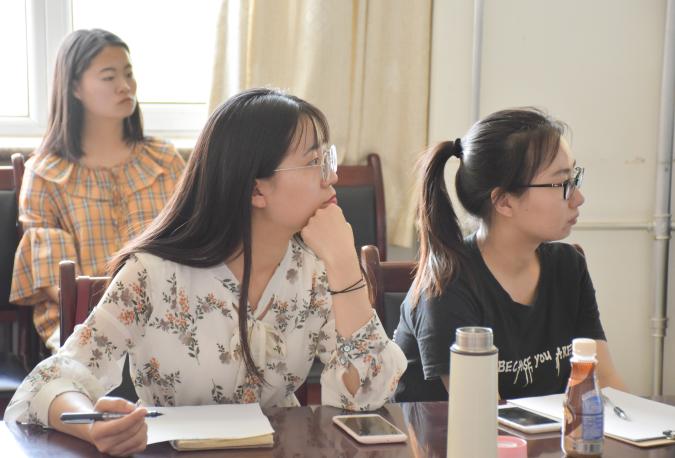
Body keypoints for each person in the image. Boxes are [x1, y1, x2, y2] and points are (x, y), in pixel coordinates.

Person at [5, 88, 407, 456]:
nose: (331, 176)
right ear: (256, 189)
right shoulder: (152, 274)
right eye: (314, 162)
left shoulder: (315, 272)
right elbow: (48, 382)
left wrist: (345, 267)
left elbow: (369, 398)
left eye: (326, 159)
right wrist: (94, 425)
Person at [393, 108, 625, 402]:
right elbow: (484, 413)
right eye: (561, 184)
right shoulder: (446, 285)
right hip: (449, 432)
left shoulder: (569, 267)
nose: (578, 198)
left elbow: (605, 383)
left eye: (574, 178)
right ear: (504, 201)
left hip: (541, 432)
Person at [10, 29, 185, 352]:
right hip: (84, 323)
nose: (125, 86)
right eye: (109, 76)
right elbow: (55, 282)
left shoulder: (165, 160)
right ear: (74, 88)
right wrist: (124, 310)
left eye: (128, 73)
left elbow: (194, 243)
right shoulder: (47, 174)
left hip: (169, 316)